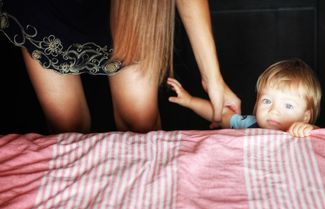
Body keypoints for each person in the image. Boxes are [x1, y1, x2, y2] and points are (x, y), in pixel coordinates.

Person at [0, 0, 240, 133]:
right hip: (49, 9)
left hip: (130, 8)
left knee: (139, 122)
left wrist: (213, 77)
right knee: (66, 127)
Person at [167, 58, 321, 137]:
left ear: (305, 117)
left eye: (288, 106)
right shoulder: (249, 124)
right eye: (267, 101)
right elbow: (221, 114)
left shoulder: (302, 131)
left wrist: (311, 130)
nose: (273, 111)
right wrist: (190, 101)